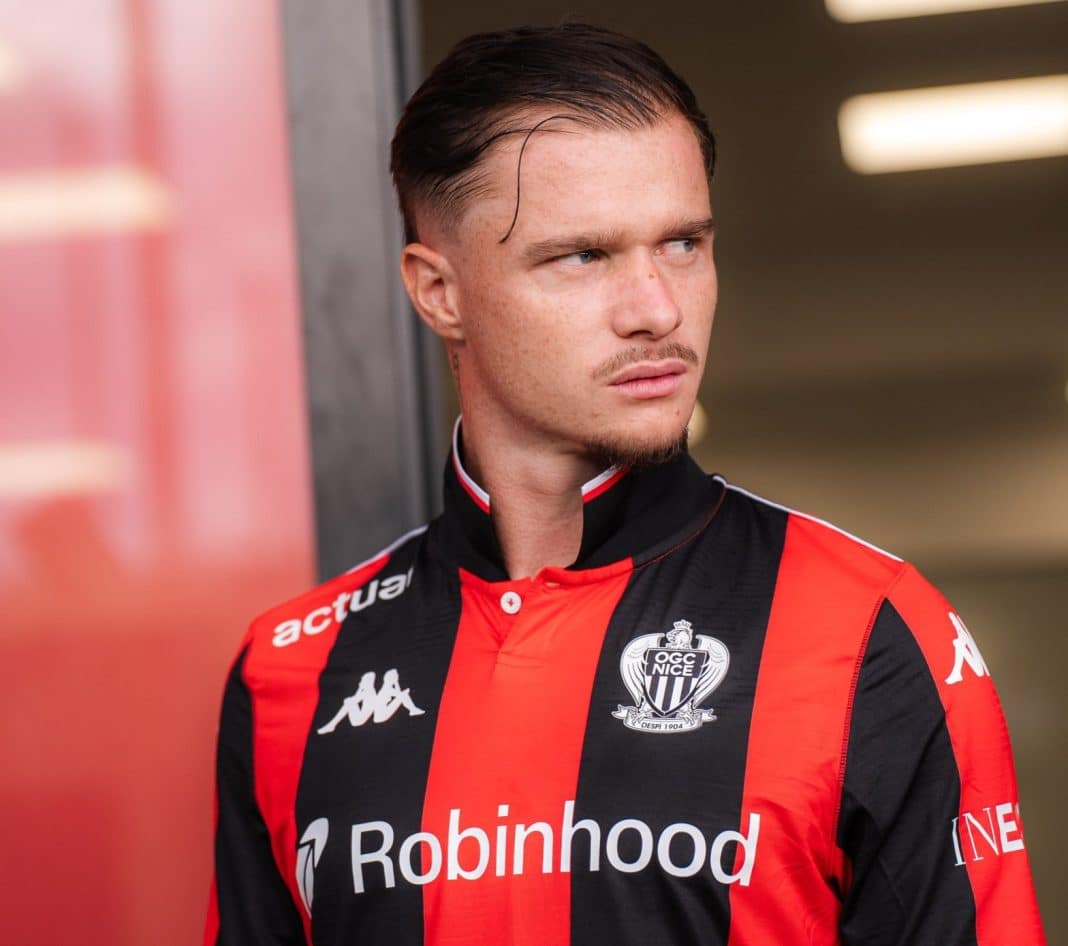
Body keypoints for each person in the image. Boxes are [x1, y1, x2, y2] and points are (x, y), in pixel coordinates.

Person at [204, 24, 1046, 946]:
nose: (658, 308)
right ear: (439, 292)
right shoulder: (292, 669)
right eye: (584, 256)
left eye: (684, 242)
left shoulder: (872, 633)